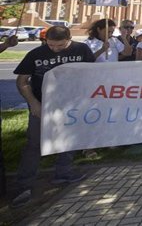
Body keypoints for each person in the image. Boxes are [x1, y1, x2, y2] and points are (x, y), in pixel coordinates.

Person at [11, 26, 96, 208]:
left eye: (60, 45)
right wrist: (34, 103)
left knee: (69, 140)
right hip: (42, 105)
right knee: (34, 144)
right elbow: (22, 81)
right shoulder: (36, 53)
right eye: (51, 45)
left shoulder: (82, 50)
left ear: (69, 39)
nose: (55, 49)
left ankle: (63, 173)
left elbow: (91, 74)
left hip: (71, 105)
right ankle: (24, 183)